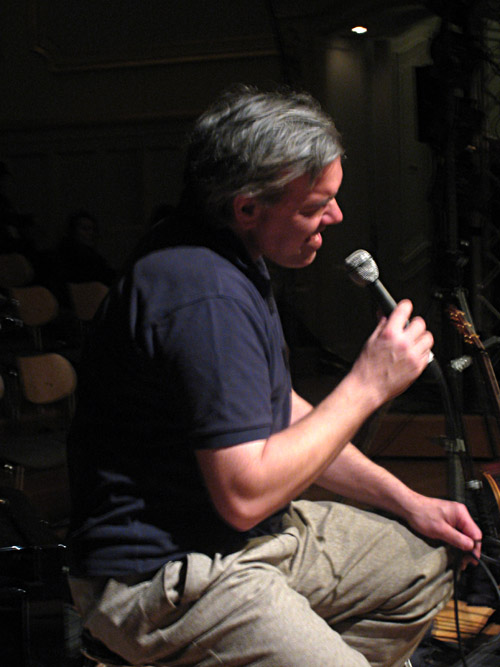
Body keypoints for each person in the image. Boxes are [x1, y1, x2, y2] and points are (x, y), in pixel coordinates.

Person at [66, 86, 481, 667]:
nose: (334, 216)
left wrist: (408, 501)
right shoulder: (202, 291)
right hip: (162, 578)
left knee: (421, 562)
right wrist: (366, 386)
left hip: (244, 541)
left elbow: (277, 409)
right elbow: (244, 495)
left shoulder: (230, 254)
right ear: (247, 207)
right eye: (316, 204)